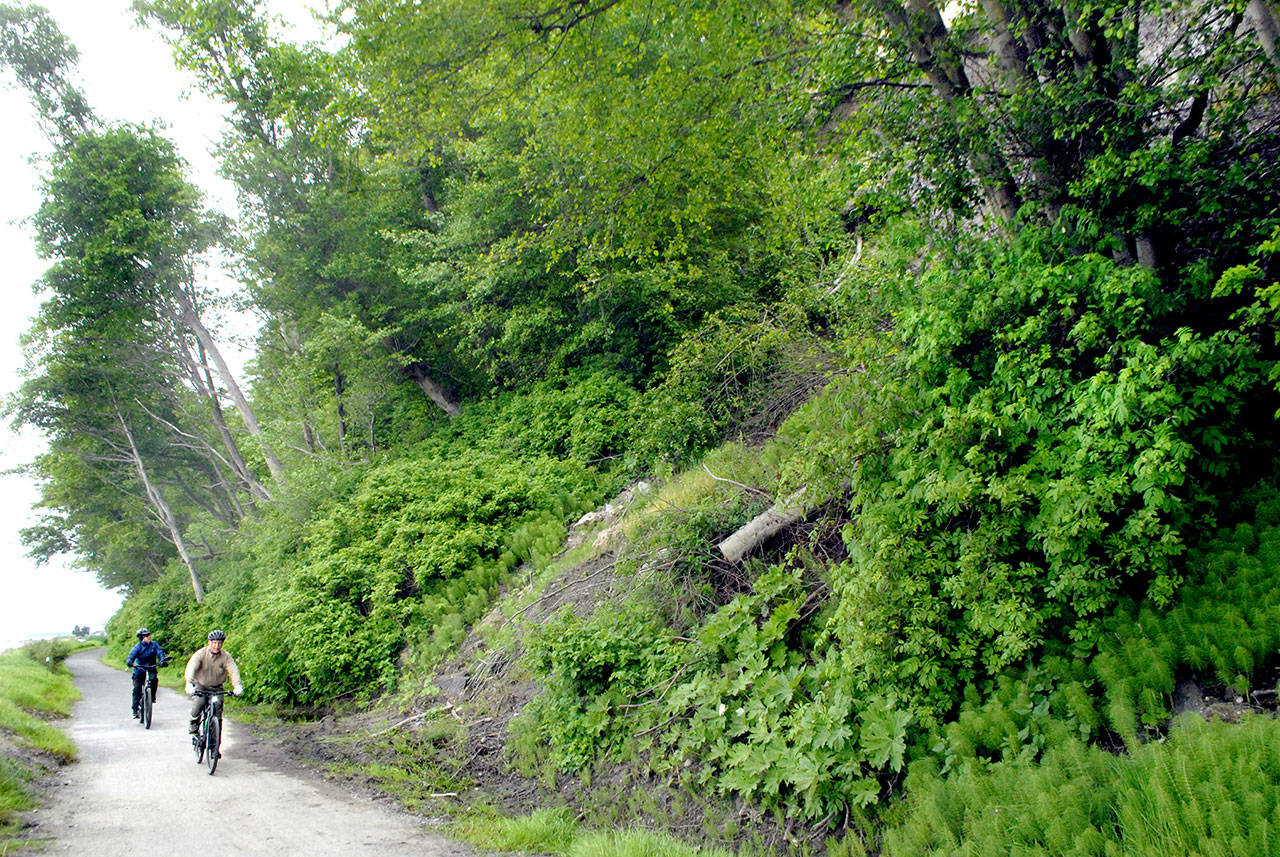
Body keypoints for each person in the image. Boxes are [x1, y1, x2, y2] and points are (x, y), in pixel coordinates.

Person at [185, 629, 244, 735]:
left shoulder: (226, 656)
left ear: (222, 643)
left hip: (217, 688)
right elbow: (191, 667)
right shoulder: (201, 654)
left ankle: (215, 747)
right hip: (201, 686)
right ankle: (194, 722)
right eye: (214, 643)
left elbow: (233, 670)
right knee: (199, 703)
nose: (217, 646)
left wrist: (237, 685)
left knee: (217, 711)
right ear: (209, 642)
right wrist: (189, 683)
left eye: (219, 643)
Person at [125, 627, 167, 719]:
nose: (149, 637)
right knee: (137, 690)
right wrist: (129, 662)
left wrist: (163, 660)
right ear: (141, 638)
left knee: (154, 680)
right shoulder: (138, 647)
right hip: (139, 670)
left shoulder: (154, 645)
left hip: (151, 667)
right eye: (146, 636)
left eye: (149, 635)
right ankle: (135, 710)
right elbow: (131, 656)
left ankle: (152, 697)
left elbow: (160, 653)